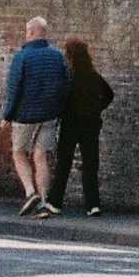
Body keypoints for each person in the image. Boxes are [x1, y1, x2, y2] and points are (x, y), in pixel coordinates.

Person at [2, 13, 70, 217]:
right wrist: (57, 110)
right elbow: (66, 85)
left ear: (31, 32)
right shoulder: (58, 56)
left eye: (27, 31)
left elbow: (14, 88)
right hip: (49, 115)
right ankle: (42, 202)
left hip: (25, 115)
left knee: (19, 152)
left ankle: (30, 192)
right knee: (41, 157)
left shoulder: (21, 57)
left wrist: (8, 115)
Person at [48, 38, 115, 215]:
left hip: (70, 124)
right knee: (90, 164)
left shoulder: (68, 77)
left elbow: (61, 99)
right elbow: (109, 95)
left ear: (70, 55)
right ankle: (93, 204)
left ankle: (55, 202)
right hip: (90, 124)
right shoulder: (94, 77)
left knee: (63, 163)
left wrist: (59, 114)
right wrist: (96, 109)